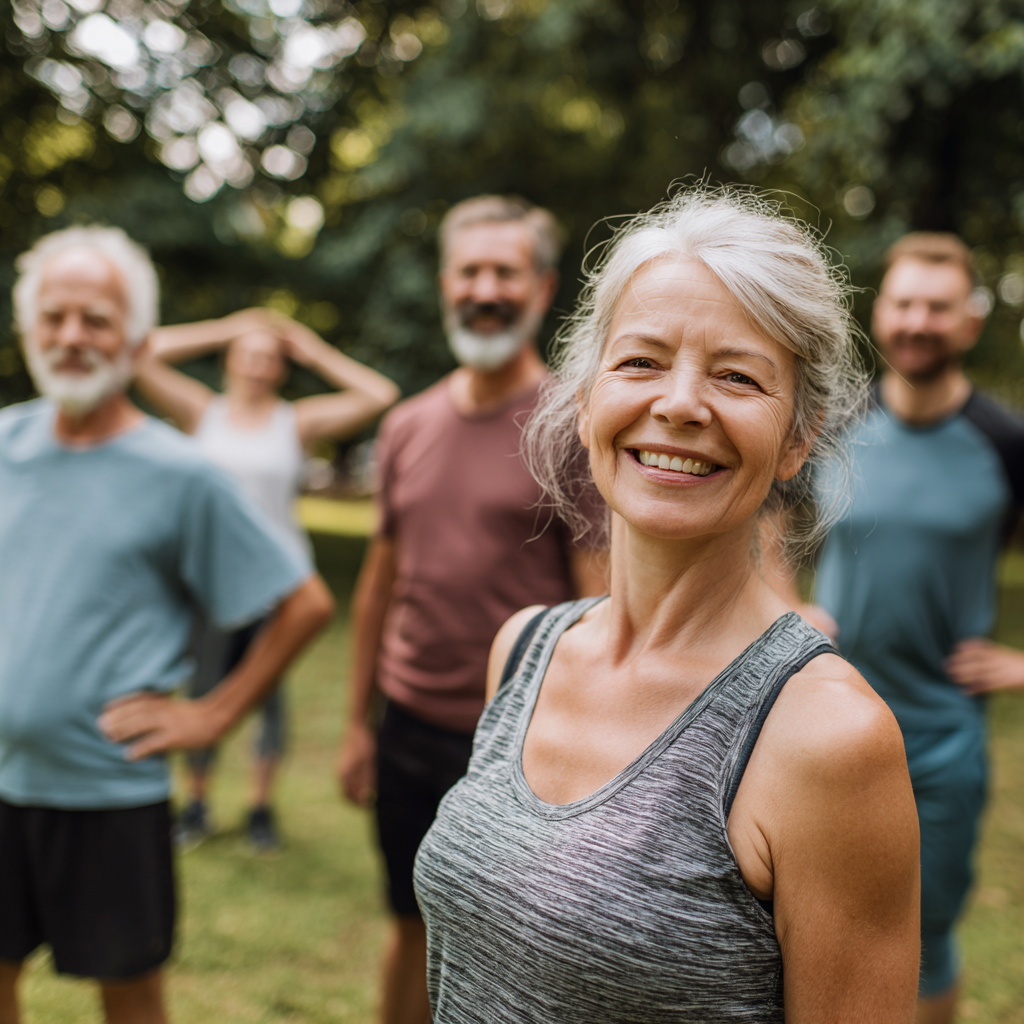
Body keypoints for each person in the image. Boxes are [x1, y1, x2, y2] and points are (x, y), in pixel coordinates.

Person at [412, 188, 922, 1023]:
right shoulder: (524, 650)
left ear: (799, 436)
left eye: (737, 376)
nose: (681, 403)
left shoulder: (827, 740)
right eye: (641, 361)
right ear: (586, 402)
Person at [0, 226, 335, 1024]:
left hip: (111, 790)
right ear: (28, 329)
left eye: (96, 319)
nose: (72, 337)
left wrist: (213, 714)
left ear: (137, 339)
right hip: (2, 782)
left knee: (132, 996)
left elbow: (306, 603)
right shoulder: (3, 443)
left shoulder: (182, 474)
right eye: (55, 317)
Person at [336, 195, 608, 1024]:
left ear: (541, 286)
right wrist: (358, 722)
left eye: (505, 271)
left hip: (521, 744)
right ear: (446, 281)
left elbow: (600, 603)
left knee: (515, 954)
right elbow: (382, 580)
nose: (485, 287)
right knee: (407, 925)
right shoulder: (405, 425)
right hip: (410, 729)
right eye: (470, 270)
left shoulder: (573, 425)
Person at [780, 232, 1024, 1024]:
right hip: (822, 727)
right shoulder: (831, 424)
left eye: (938, 306)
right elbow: (764, 525)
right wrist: (787, 608)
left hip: (942, 740)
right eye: (905, 302)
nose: (919, 320)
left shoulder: (1004, 443)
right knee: (802, 935)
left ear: (970, 322)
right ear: (880, 312)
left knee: (929, 943)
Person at [135, 307, 399, 850]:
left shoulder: (294, 423)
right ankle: (198, 804)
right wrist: (228, 325)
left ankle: (259, 809)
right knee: (204, 687)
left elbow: (379, 394)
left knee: (268, 699)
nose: (257, 364)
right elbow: (139, 352)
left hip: (280, 587)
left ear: (280, 367)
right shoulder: (201, 412)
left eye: (269, 356)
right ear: (230, 358)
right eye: (247, 352)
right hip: (208, 582)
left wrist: (310, 346)